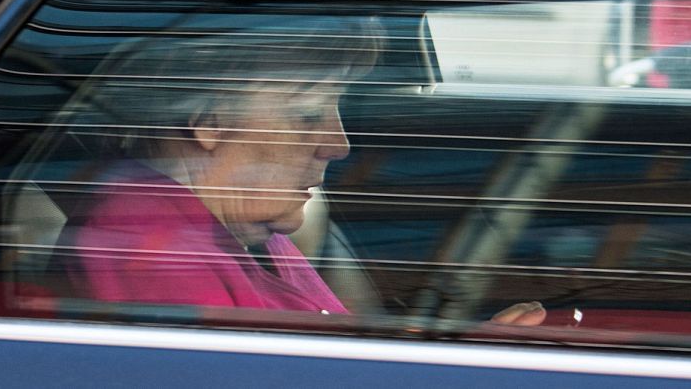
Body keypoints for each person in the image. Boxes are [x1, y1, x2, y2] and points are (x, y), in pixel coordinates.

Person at [54, 17, 545, 324]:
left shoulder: (244, 231)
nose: (339, 144)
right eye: (308, 114)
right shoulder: (148, 252)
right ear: (209, 122)